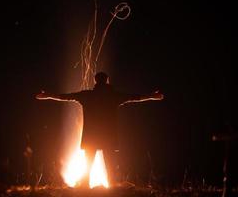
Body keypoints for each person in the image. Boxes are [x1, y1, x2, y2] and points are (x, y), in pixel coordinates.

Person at [36, 72, 164, 187]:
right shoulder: (114, 96)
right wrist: (152, 96)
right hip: (108, 135)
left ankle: (85, 184)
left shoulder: (86, 95)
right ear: (107, 81)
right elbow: (135, 97)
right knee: (109, 162)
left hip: (90, 135)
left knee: (89, 161)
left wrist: (47, 95)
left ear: (95, 81)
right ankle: (111, 184)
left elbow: (65, 97)